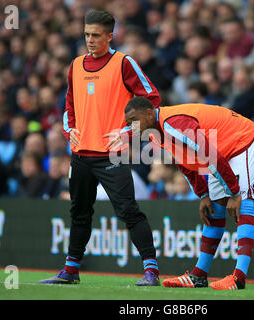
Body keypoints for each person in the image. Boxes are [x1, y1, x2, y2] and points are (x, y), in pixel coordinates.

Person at [40, 10, 161, 286]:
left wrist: (130, 131)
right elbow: (69, 105)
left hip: (113, 155)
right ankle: (70, 270)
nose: (90, 40)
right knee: (79, 213)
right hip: (81, 155)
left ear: (110, 35)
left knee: (129, 211)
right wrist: (69, 130)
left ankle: (151, 270)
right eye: (86, 35)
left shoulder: (124, 63)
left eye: (96, 35)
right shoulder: (75, 66)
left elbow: (152, 100)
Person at [120, 96, 254, 291]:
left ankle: (239, 277)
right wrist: (203, 194)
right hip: (220, 149)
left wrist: (235, 192)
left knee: (243, 204)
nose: (132, 127)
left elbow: (209, 154)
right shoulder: (155, 132)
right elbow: (184, 161)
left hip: (241, 139)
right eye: (129, 124)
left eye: (133, 121)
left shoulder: (175, 124)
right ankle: (199, 275)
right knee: (214, 211)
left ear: (149, 113)